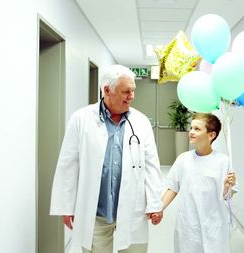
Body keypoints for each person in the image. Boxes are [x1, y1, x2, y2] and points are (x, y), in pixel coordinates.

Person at [50, 64, 163, 253]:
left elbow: (151, 165)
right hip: (96, 211)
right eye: (126, 91)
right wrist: (66, 206)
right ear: (107, 90)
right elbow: (68, 164)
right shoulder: (81, 119)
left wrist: (155, 203)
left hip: (133, 208)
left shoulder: (141, 121)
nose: (132, 96)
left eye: (133, 91)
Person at [155, 113, 237, 253]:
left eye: (197, 129)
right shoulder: (183, 159)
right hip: (188, 224)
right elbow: (173, 188)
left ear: (211, 135)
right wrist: (159, 209)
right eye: (191, 128)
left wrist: (227, 187)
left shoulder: (223, 161)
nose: (191, 132)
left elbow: (227, 197)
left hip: (214, 225)